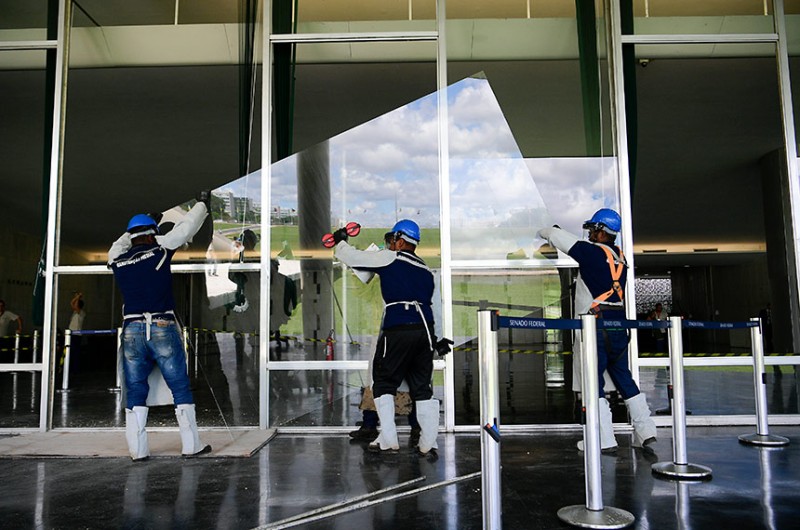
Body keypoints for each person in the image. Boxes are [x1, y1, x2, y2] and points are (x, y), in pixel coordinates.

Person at [538, 208, 657, 452]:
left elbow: (551, 234)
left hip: (596, 326)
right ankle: (646, 432)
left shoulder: (591, 253)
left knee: (593, 383)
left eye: (594, 229)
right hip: (618, 325)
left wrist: (542, 229)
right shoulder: (620, 257)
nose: (590, 233)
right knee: (624, 379)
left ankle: (602, 438)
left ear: (603, 231)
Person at [108, 194, 212, 461]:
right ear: (153, 235)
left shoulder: (118, 260)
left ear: (131, 236)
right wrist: (202, 205)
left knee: (135, 389)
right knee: (179, 385)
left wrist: (139, 227)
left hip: (131, 329)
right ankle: (191, 446)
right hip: (161, 326)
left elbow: (118, 245)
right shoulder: (160, 249)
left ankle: (138, 451)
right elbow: (185, 229)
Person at [334, 219, 447, 455]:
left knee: (383, 382)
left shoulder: (390, 258)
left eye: (393, 240)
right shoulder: (426, 270)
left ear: (400, 240)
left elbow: (354, 258)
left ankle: (388, 438)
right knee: (422, 388)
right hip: (424, 332)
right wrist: (437, 339)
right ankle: (428, 442)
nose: (391, 244)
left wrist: (341, 242)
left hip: (398, 328)